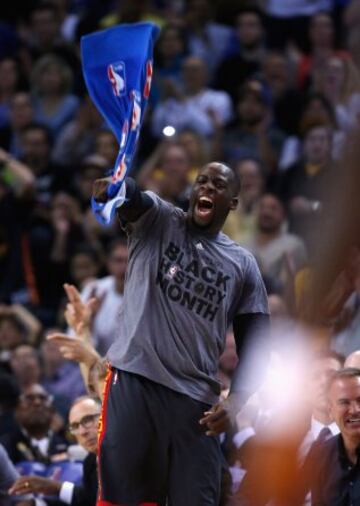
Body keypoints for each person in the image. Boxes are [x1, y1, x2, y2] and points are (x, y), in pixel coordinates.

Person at [92, 161, 269, 504]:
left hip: (196, 401)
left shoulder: (243, 264)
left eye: (218, 185)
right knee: (122, 497)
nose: (206, 188)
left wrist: (236, 401)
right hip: (136, 381)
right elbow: (133, 198)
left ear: (232, 202)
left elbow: (259, 343)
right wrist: (115, 187)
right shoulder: (159, 218)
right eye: (201, 181)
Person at [9, 396, 101, 506]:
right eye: (75, 426)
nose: (82, 432)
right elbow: (89, 500)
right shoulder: (90, 462)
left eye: (88, 420)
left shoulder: (124, 454)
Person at [303, 368, 360, 504]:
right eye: (344, 402)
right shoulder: (319, 455)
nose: (355, 410)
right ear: (330, 411)